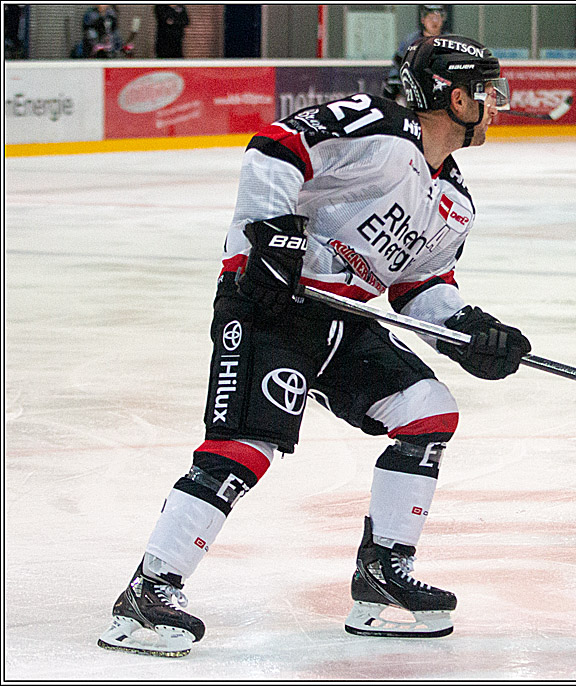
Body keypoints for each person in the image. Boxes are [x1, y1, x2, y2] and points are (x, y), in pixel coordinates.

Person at [97, 35, 526, 658]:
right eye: (486, 92)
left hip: (342, 320)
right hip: (272, 304)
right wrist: (271, 233)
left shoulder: (454, 200)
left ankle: (381, 575)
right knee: (244, 444)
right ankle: (150, 589)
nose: (496, 105)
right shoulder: (380, 130)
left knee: (427, 412)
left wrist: (472, 331)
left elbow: (419, 286)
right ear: (454, 97)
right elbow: (276, 148)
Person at [383, 5, 447, 101]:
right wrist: (394, 82)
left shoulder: (449, 41)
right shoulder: (411, 41)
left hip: (441, 92)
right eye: (430, 18)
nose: (434, 21)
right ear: (423, 20)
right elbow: (397, 64)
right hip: (413, 93)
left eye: (438, 18)